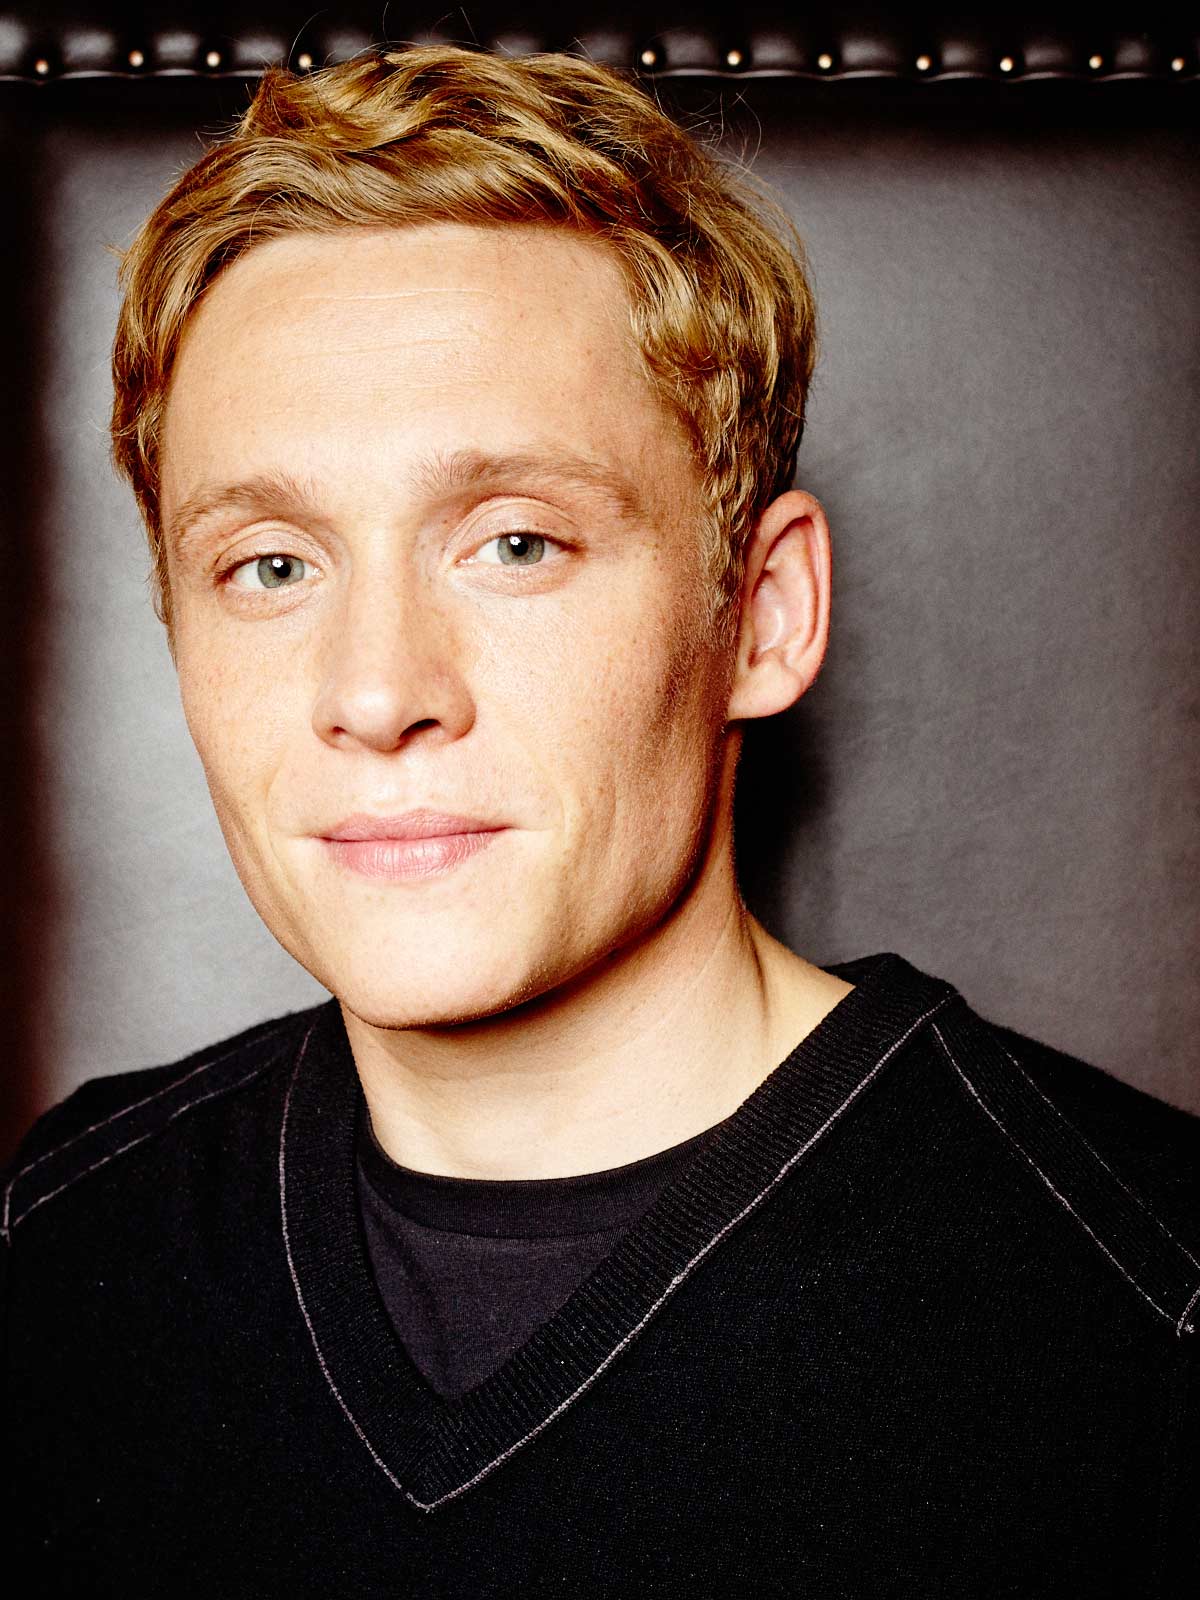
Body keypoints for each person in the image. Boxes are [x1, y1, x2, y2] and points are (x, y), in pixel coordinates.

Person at [2, 44, 1197, 1596]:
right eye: (272, 567)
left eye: (516, 543)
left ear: (763, 613)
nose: (377, 692)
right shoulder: (68, 1235)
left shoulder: (1145, 1308)